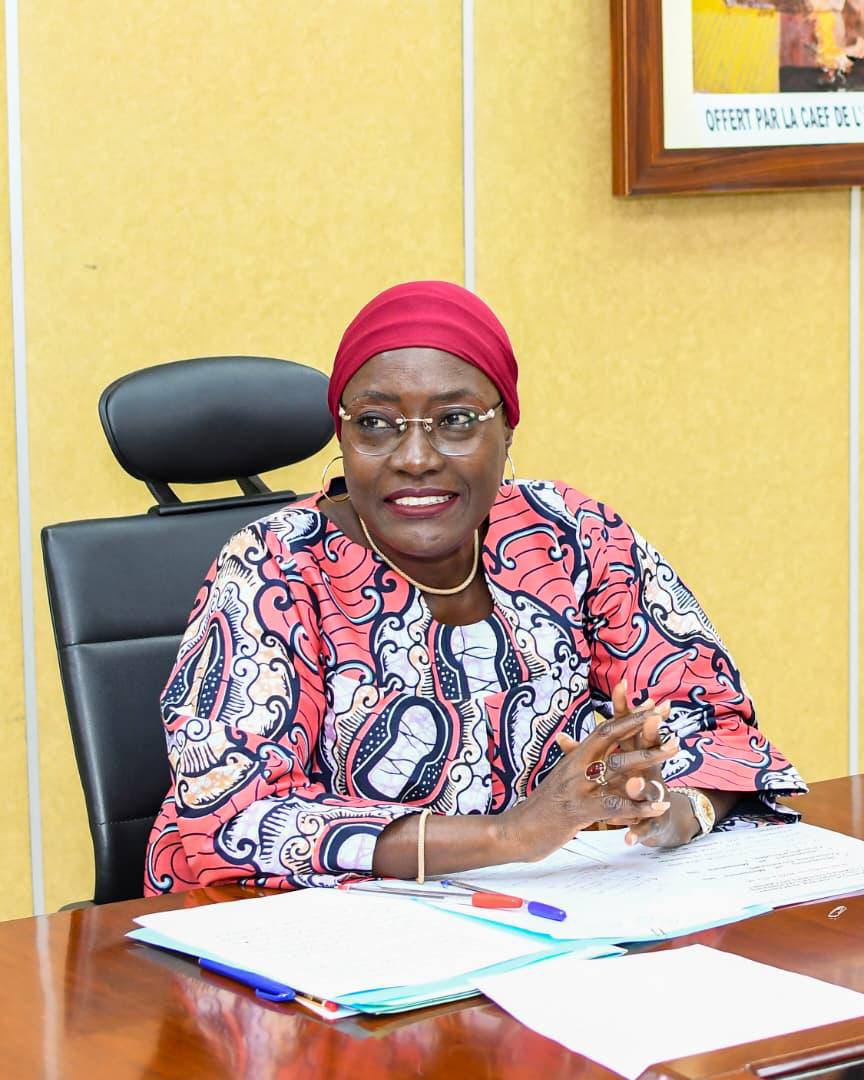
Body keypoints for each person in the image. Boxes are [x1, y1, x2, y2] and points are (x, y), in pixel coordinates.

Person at [144, 281, 805, 895]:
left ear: (507, 429)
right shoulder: (275, 567)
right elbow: (230, 821)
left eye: (456, 419)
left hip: (565, 917)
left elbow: (717, 726)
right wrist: (511, 835)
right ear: (341, 434)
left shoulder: (572, 534)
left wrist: (673, 808)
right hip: (325, 946)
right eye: (375, 423)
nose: (415, 457)